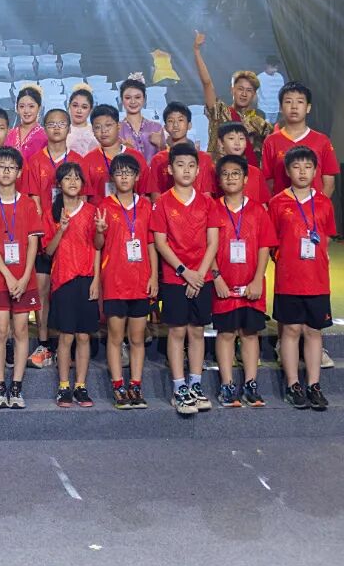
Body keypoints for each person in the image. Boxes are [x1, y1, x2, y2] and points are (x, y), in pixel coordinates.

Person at [149, 143, 221, 416]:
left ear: (198, 170)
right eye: (180, 165)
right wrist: (184, 272)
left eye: (191, 166)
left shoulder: (207, 202)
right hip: (174, 278)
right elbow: (160, 243)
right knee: (177, 332)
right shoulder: (162, 203)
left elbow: (213, 242)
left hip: (201, 278)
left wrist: (199, 275)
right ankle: (179, 387)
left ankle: (195, 384)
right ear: (170, 169)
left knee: (197, 332)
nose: (186, 170)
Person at [269, 145, 336, 410]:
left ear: (316, 171)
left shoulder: (324, 202)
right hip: (288, 279)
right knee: (291, 330)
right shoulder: (277, 203)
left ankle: (314, 385)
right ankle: (293, 384)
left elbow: (326, 237)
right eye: (296, 167)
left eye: (308, 167)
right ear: (288, 171)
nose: (302, 172)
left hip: (317, 280)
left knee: (313, 331)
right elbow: (271, 241)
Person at [0, 147, 43, 409]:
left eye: (11, 167)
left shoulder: (27, 203)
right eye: (1, 167)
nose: (6, 171)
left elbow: (33, 242)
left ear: (19, 172)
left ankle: (16, 386)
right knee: (1, 329)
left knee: (22, 329)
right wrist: (7, 275)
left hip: (24, 277)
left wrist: (24, 278)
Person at [210, 155, 276, 408]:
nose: (230, 178)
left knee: (250, 334)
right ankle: (227, 385)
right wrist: (216, 277)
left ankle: (250, 383)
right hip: (223, 285)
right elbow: (208, 247)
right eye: (225, 174)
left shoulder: (258, 210)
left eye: (236, 173)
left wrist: (258, 279)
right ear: (219, 180)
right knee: (226, 334)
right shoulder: (213, 208)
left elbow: (264, 247)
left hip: (251, 285)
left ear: (246, 179)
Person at [23, 108, 85, 369]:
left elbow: (84, 200)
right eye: (51, 124)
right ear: (44, 128)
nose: (57, 128)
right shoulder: (35, 161)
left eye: (61, 123)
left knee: (69, 291)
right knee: (43, 290)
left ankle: (66, 344)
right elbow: (33, 200)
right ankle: (44, 343)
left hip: (73, 239)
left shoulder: (78, 160)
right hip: (45, 234)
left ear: (69, 128)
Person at [95, 153, 156, 409]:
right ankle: (118, 385)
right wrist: (100, 232)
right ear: (112, 177)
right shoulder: (104, 206)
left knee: (138, 337)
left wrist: (154, 276)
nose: (124, 177)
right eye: (119, 173)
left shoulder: (146, 206)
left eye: (128, 173)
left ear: (137, 177)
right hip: (115, 280)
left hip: (141, 280)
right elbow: (98, 245)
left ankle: (136, 385)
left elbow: (150, 243)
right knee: (115, 337)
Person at [42, 163, 99, 408]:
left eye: (77, 178)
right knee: (66, 336)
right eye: (67, 178)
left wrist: (96, 279)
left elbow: (98, 246)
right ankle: (64, 386)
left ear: (83, 183)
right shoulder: (52, 213)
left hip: (86, 279)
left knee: (84, 336)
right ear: (59, 184)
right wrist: (61, 230)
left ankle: (81, 386)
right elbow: (48, 251)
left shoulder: (92, 211)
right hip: (63, 279)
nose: (73, 182)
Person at [194, 30, 271, 160]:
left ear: (254, 94)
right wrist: (196, 50)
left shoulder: (260, 124)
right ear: (232, 90)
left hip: (248, 171)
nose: (244, 94)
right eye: (240, 89)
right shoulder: (220, 112)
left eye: (249, 90)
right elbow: (207, 83)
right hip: (219, 169)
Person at [261, 81, 338, 196]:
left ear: (308, 108)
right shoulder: (271, 141)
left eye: (300, 102)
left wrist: (318, 205)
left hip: (314, 206)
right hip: (281, 206)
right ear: (280, 107)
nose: (294, 107)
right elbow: (268, 182)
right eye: (288, 101)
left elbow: (329, 184)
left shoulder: (322, 141)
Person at [82, 105, 150, 203]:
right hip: (99, 212)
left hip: (131, 211)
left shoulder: (136, 157)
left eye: (108, 125)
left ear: (118, 126)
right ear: (93, 131)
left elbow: (145, 194)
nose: (103, 131)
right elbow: (83, 199)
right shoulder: (88, 160)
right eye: (97, 127)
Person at [147, 102, 215, 200]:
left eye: (180, 120)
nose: (175, 125)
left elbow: (207, 195)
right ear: (165, 127)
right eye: (171, 121)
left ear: (189, 125)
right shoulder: (158, 160)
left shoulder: (204, 158)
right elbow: (156, 197)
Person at [214, 122, 271, 205]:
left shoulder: (256, 172)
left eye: (241, 138)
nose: (237, 143)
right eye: (231, 138)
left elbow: (263, 204)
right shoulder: (214, 172)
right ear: (220, 142)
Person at [118, 78, 165, 163]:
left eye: (137, 97)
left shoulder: (156, 128)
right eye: (128, 98)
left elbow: (165, 160)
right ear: (121, 100)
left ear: (144, 99)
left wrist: (161, 146)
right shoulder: (116, 129)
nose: (133, 101)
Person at [4, 84, 47, 161]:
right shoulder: (9, 135)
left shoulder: (45, 136)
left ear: (39, 108)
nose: (26, 111)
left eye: (31, 106)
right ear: (17, 108)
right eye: (22, 106)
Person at [66, 85, 99, 156]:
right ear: (69, 106)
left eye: (84, 107)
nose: (79, 111)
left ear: (90, 110)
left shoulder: (96, 131)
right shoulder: (63, 131)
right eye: (75, 105)